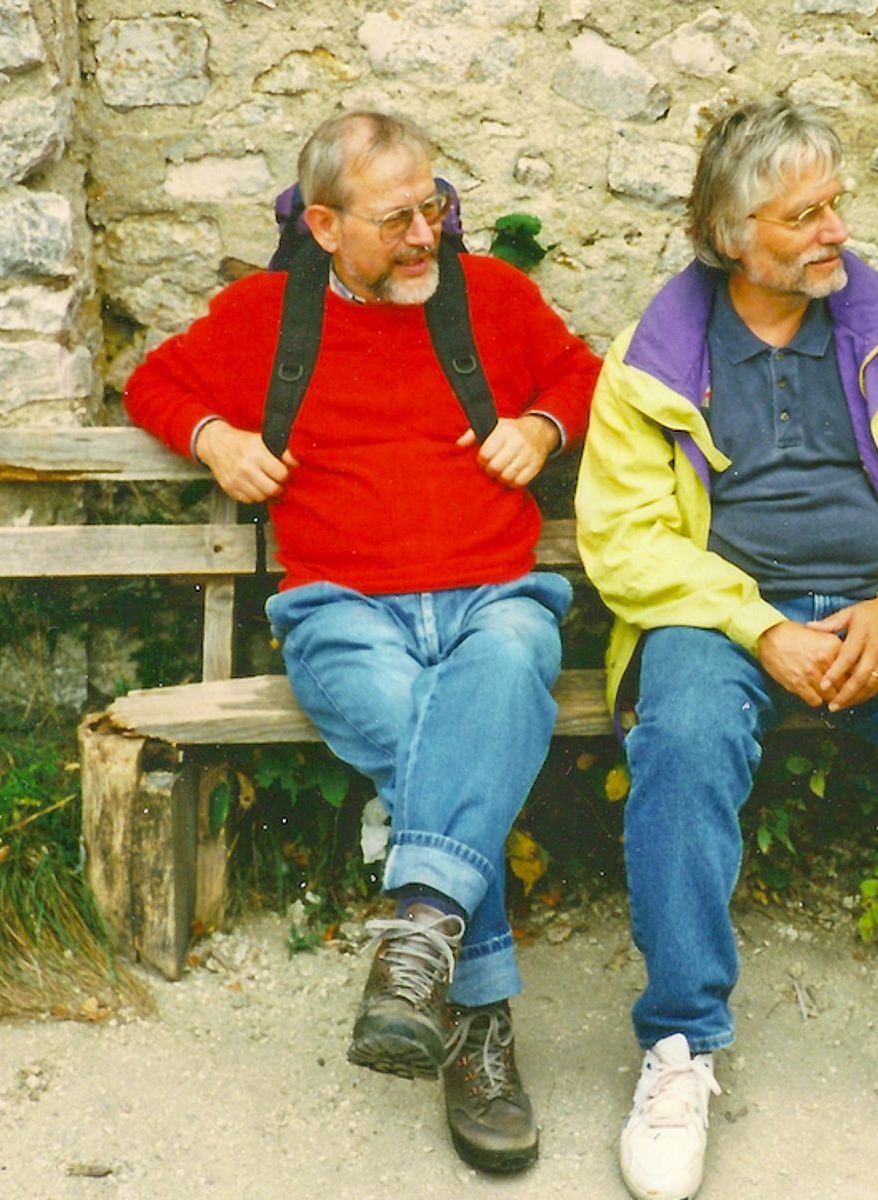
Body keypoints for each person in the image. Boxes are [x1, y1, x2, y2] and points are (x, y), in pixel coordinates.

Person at [575, 97, 878, 1200]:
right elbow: (624, 540)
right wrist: (759, 626)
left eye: (835, 204)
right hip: (720, 613)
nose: (836, 231)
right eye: (804, 216)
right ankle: (680, 1046)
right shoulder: (654, 356)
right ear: (731, 236)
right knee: (684, 739)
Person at [125, 110, 599, 1174]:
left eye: (433, 206)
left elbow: (583, 374)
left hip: (493, 600)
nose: (426, 234)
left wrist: (542, 426)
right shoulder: (265, 317)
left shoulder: (495, 298)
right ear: (325, 226)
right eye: (396, 220)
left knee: (507, 665)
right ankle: (474, 1013)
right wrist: (213, 435)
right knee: (436, 728)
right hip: (343, 611)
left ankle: (423, 944)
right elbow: (153, 381)